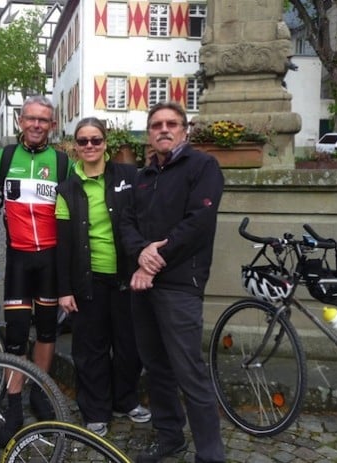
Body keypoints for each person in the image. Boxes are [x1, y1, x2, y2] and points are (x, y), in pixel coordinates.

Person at [120, 101, 226, 463]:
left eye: (171, 123)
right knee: (156, 366)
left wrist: (152, 263)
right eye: (156, 125)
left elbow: (198, 223)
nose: (164, 129)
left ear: (185, 129)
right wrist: (140, 254)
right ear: (149, 133)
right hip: (144, 284)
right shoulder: (144, 176)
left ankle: (210, 454)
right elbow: (127, 224)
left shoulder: (203, 166)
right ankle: (170, 437)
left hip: (180, 284)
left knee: (188, 370)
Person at [0, 95, 72, 446]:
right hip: (18, 259)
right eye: (31, 118)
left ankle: (41, 392)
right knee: (16, 333)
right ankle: (14, 403)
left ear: (52, 124)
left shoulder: (63, 163)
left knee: (47, 331)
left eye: (43, 120)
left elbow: (78, 210)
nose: (36, 125)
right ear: (20, 121)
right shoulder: (2, 158)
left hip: (50, 260)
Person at [55, 117, 150, 437]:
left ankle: (125, 400)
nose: (90, 146)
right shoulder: (67, 188)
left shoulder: (128, 176)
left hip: (126, 277)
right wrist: (64, 289)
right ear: (75, 147)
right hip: (89, 280)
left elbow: (147, 216)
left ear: (106, 143)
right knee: (90, 348)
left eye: (96, 140)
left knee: (129, 345)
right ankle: (95, 409)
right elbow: (64, 245)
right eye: (83, 141)